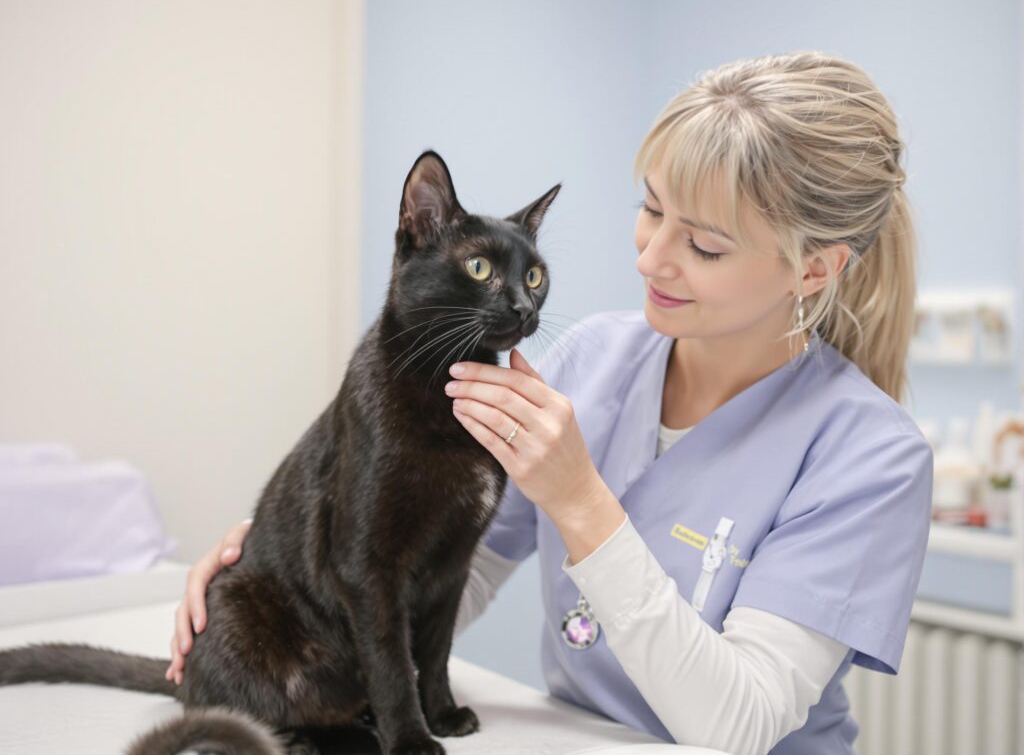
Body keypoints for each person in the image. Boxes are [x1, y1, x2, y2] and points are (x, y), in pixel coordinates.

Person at [165, 51, 933, 755]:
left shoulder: (872, 457)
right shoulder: (588, 359)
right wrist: (293, 568)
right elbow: (444, 583)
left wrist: (581, 501)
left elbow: (737, 725)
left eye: (703, 245)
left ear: (812, 270)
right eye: (651, 207)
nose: (651, 255)